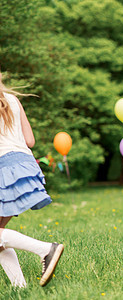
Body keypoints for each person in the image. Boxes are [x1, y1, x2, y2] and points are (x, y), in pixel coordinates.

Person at [0, 71, 64, 287]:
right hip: (25, 166)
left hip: (4, 170)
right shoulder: (13, 100)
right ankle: (20, 287)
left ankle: (46, 249)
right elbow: (30, 140)